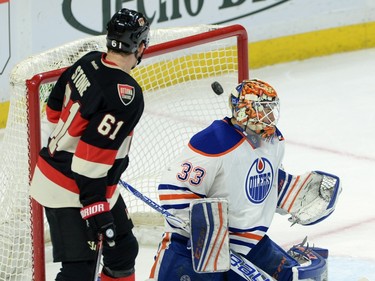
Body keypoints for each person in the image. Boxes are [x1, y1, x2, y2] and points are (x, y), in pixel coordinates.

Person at [149, 79, 341, 280]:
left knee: (293, 277)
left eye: (272, 109)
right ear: (243, 111)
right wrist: (204, 230)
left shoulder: (273, 140)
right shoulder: (214, 141)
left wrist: (291, 194)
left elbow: (263, 183)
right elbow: (174, 188)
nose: (270, 116)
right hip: (194, 247)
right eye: (263, 109)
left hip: (248, 241)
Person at [30, 8, 150, 281]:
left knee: (122, 250)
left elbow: (51, 112)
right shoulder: (126, 95)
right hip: (68, 187)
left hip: (88, 181)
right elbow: (88, 162)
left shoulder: (88, 60)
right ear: (141, 46)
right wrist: (95, 209)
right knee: (79, 272)